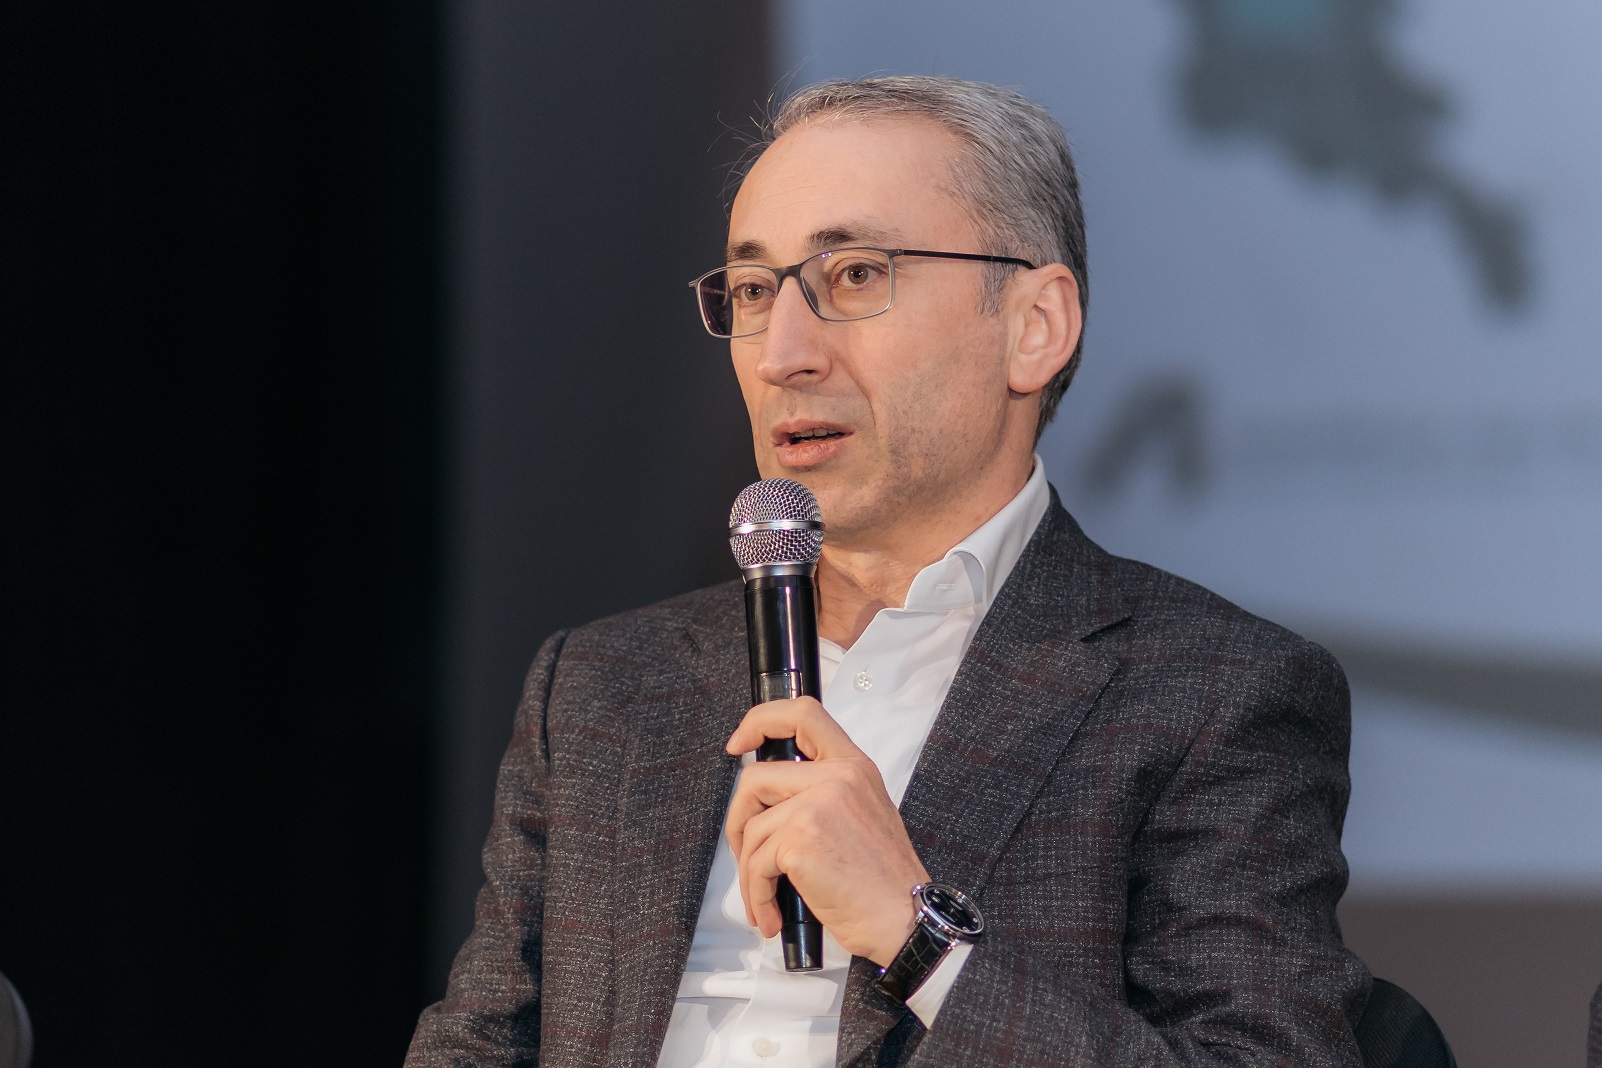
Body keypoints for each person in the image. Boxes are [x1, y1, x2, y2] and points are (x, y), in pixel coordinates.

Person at [407, 75, 1370, 1067]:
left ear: (1034, 326)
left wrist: (916, 938)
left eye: (856, 275)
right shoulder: (604, 687)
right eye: (753, 291)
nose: (783, 354)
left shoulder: (1211, 692)